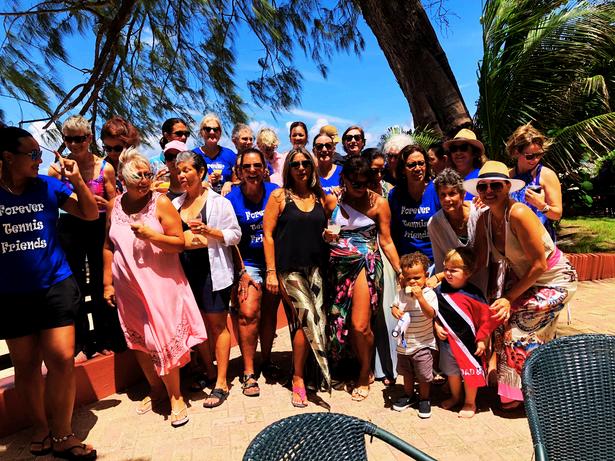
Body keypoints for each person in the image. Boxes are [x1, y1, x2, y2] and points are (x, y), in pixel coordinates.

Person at [1, 126, 98, 459]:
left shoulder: (48, 186)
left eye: (39, 153)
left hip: (56, 285)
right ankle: (40, 428)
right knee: (26, 366)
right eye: (32, 154)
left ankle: (63, 434)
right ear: (8, 157)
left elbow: (90, 213)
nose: (39, 160)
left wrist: (78, 180)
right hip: (11, 294)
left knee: (61, 360)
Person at [103, 148, 207, 427]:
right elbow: (108, 246)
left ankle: (176, 397)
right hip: (127, 286)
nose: (145, 180)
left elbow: (179, 243)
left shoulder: (160, 203)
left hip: (159, 283)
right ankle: (156, 388)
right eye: (138, 175)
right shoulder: (114, 205)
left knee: (162, 339)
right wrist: (107, 283)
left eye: (148, 174)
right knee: (139, 340)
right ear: (123, 177)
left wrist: (151, 235)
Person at [468, 161, 578, 410]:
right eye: (483, 186)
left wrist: (508, 297)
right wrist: (443, 277)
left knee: (516, 324)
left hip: (556, 280)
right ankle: (539, 385)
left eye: (496, 185)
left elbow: (540, 265)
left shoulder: (518, 213)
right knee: (502, 318)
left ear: (507, 187)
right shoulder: (485, 219)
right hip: (527, 281)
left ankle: (519, 394)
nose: (489, 191)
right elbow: (478, 260)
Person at [324, 156, 402, 400]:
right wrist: (327, 237)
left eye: (365, 182)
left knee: (360, 325)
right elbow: (325, 233)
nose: (360, 187)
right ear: (344, 179)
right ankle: (348, 367)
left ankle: (364, 372)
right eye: (354, 182)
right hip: (337, 268)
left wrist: (400, 271)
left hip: (364, 266)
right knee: (340, 322)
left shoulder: (379, 203)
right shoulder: (332, 200)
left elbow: (386, 240)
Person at [49, 115, 122, 360]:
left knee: (103, 281)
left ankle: (105, 338)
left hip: (99, 226)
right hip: (69, 227)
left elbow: (115, 202)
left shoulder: (105, 167)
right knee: (75, 284)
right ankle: (80, 342)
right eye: (68, 139)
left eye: (79, 139)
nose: (74, 144)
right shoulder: (57, 169)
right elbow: (52, 201)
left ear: (89, 138)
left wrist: (104, 203)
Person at [172, 151, 241, 408]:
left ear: (200, 172)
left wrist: (210, 231)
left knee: (217, 325)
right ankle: (209, 371)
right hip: (185, 271)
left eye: (187, 170)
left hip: (213, 270)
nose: (181, 175)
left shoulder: (218, 202)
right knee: (197, 324)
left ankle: (222, 381)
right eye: (179, 170)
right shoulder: (175, 204)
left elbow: (235, 235)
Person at [263, 147, 330, 407]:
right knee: (306, 319)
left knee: (319, 321)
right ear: (288, 168)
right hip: (289, 269)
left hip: (316, 268)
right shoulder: (279, 196)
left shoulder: (319, 196)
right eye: (295, 164)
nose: (301, 168)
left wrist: (329, 236)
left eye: (305, 163)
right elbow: (268, 235)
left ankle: (314, 373)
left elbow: (326, 228)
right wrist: (271, 271)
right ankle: (298, 377)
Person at [226, 148, 281, 396]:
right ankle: (248, 372)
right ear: (238, 171)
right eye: (246, 167)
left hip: (274, 261)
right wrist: (241, 272)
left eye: (257, 165)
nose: (252, 170)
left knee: (269, 313)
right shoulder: (231, 199)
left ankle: (266, 360)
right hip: (247, 262)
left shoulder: (275, 193)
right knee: (248, 312)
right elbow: (230, 240)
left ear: (264, 169)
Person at [433, 248, 502, 418]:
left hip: (470, 344)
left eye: (454, 270)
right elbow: (434, 313)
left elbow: (486, 319)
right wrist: (437, 326)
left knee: (470, 373)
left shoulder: (474, 295)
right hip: (448, 343)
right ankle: (456, 397)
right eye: (446, 269)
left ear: (468, 272)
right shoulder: (439, 291)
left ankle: (470, 402)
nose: (448, 273)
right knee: (452, 373)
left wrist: (482, 340)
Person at [389, 253, 438, 419]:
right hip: (404, 344)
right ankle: (409, 395)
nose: (413, 282)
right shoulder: (401, 294)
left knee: (423, 375)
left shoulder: (429, 294)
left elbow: (431, 314)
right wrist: (395, 310)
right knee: (407, 373)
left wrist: (420, 298)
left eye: (417, 277)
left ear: (426, 276)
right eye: (408, 278)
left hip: (422, 343)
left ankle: (424, 399)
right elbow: (394, 306)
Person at [427, 168, 487, 295]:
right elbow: (440, 263)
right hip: (455, 291)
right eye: (442, 195)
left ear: (463, 194)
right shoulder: (435, 224)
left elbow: (486, 257)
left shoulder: (481, 213)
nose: (447, 199)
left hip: (485, 283)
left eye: (452, 193)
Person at [507, 123, 562, 241]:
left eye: (539, 155)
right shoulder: (508, 176)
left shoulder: (546, 175)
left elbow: (557, 215)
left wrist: (541, 206)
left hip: (540, 240)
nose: (535, 159)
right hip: (513, 240)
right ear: (516, 152)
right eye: (530, 156)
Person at [388, 144, 440, 263]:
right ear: (402, 169)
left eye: (421, 163)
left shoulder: (437, 190)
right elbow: (392, 232)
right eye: (411, 165)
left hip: (435, 261)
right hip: (407, 263)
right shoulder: (395, 195)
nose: (417, 168)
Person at [193, 113, 236, 193]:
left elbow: (239, 181)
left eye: (216, 129)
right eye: (208, 129)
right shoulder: (193, 155)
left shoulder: (230, 155)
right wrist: (204, 181)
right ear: (201, 132)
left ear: (220, 133)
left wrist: (229, 183)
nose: (212, 132)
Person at [443, 128, 486, 200]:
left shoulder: (482, 179)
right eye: (454, 149)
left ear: (474, 153)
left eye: (463, 148)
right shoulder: (446, 180)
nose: (458, 152)